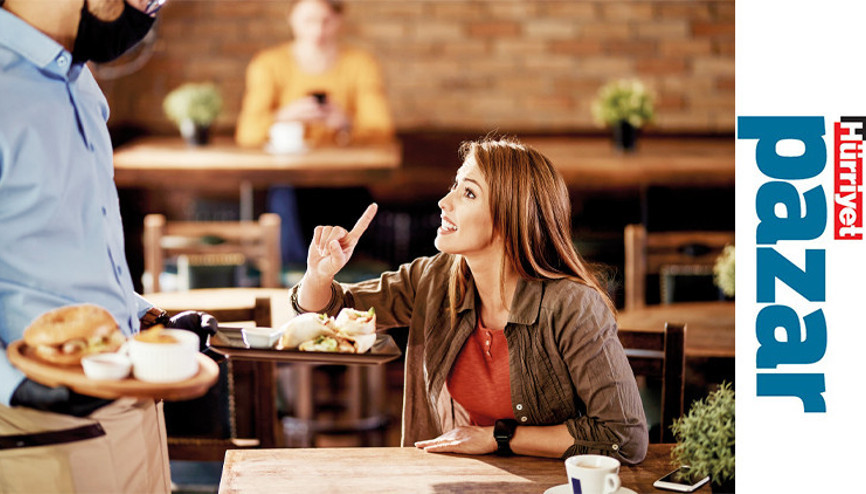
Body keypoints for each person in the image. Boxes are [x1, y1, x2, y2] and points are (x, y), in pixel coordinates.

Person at [291, 136, 649, 463]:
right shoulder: (432, 279)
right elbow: (330, 311)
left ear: (510, 217)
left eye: (469, 193)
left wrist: (498, 438)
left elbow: (623, 436)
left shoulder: (572, 306)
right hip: (453, 481)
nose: (444, 202)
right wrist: (318, 276)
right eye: (454, 187)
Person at [0, 1, 219, 491]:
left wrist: (141, 315)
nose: (147, 8)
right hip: (38, 425)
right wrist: (15, 384)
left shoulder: (80, 81)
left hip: (132, 402)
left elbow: (67, 239)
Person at [235, 0, 394, 265]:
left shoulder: (360, 64)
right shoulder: (268, 64)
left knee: (351, 218)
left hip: (345, 179)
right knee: (287, 205)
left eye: (326, 21)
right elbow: (247, 134)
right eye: (309, 21)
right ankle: (298, 284)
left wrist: (346, 123)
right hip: (289, 180)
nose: (318, 31)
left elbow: (382, 132)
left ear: (339, 21)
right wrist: (283, 116)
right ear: (292, 19)